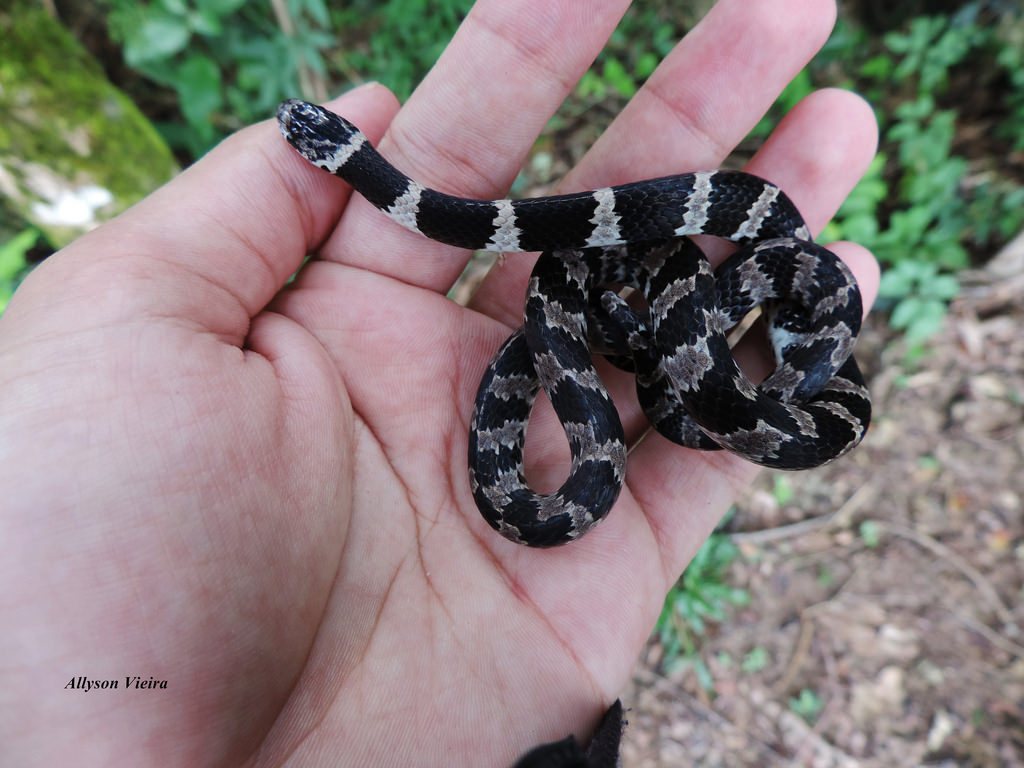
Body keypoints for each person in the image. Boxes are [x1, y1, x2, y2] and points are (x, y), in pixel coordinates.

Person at [0, 0, 879, 765]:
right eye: (326, 142)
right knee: (650, 324)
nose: (310, 131)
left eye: (328, 142)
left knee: (691, 314)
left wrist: (690, 346)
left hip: (700, 317)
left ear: (347, 157)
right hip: (675, 332)